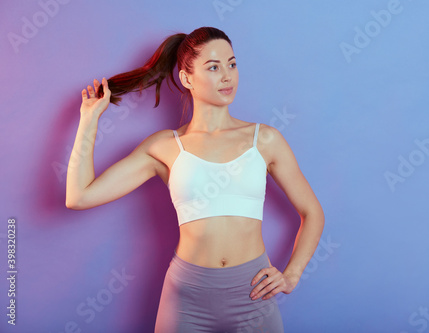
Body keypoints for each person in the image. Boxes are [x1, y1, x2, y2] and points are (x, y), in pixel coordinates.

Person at [66, 26, 324, 332]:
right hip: (187, 298)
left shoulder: (264, 139)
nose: (227, 76)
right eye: (213, 67)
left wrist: (292, 274)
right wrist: (89, 121)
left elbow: (313, 212)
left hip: (253, 294)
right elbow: (79, 196)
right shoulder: (164, 147)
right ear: (187, 78)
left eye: (232, 64)